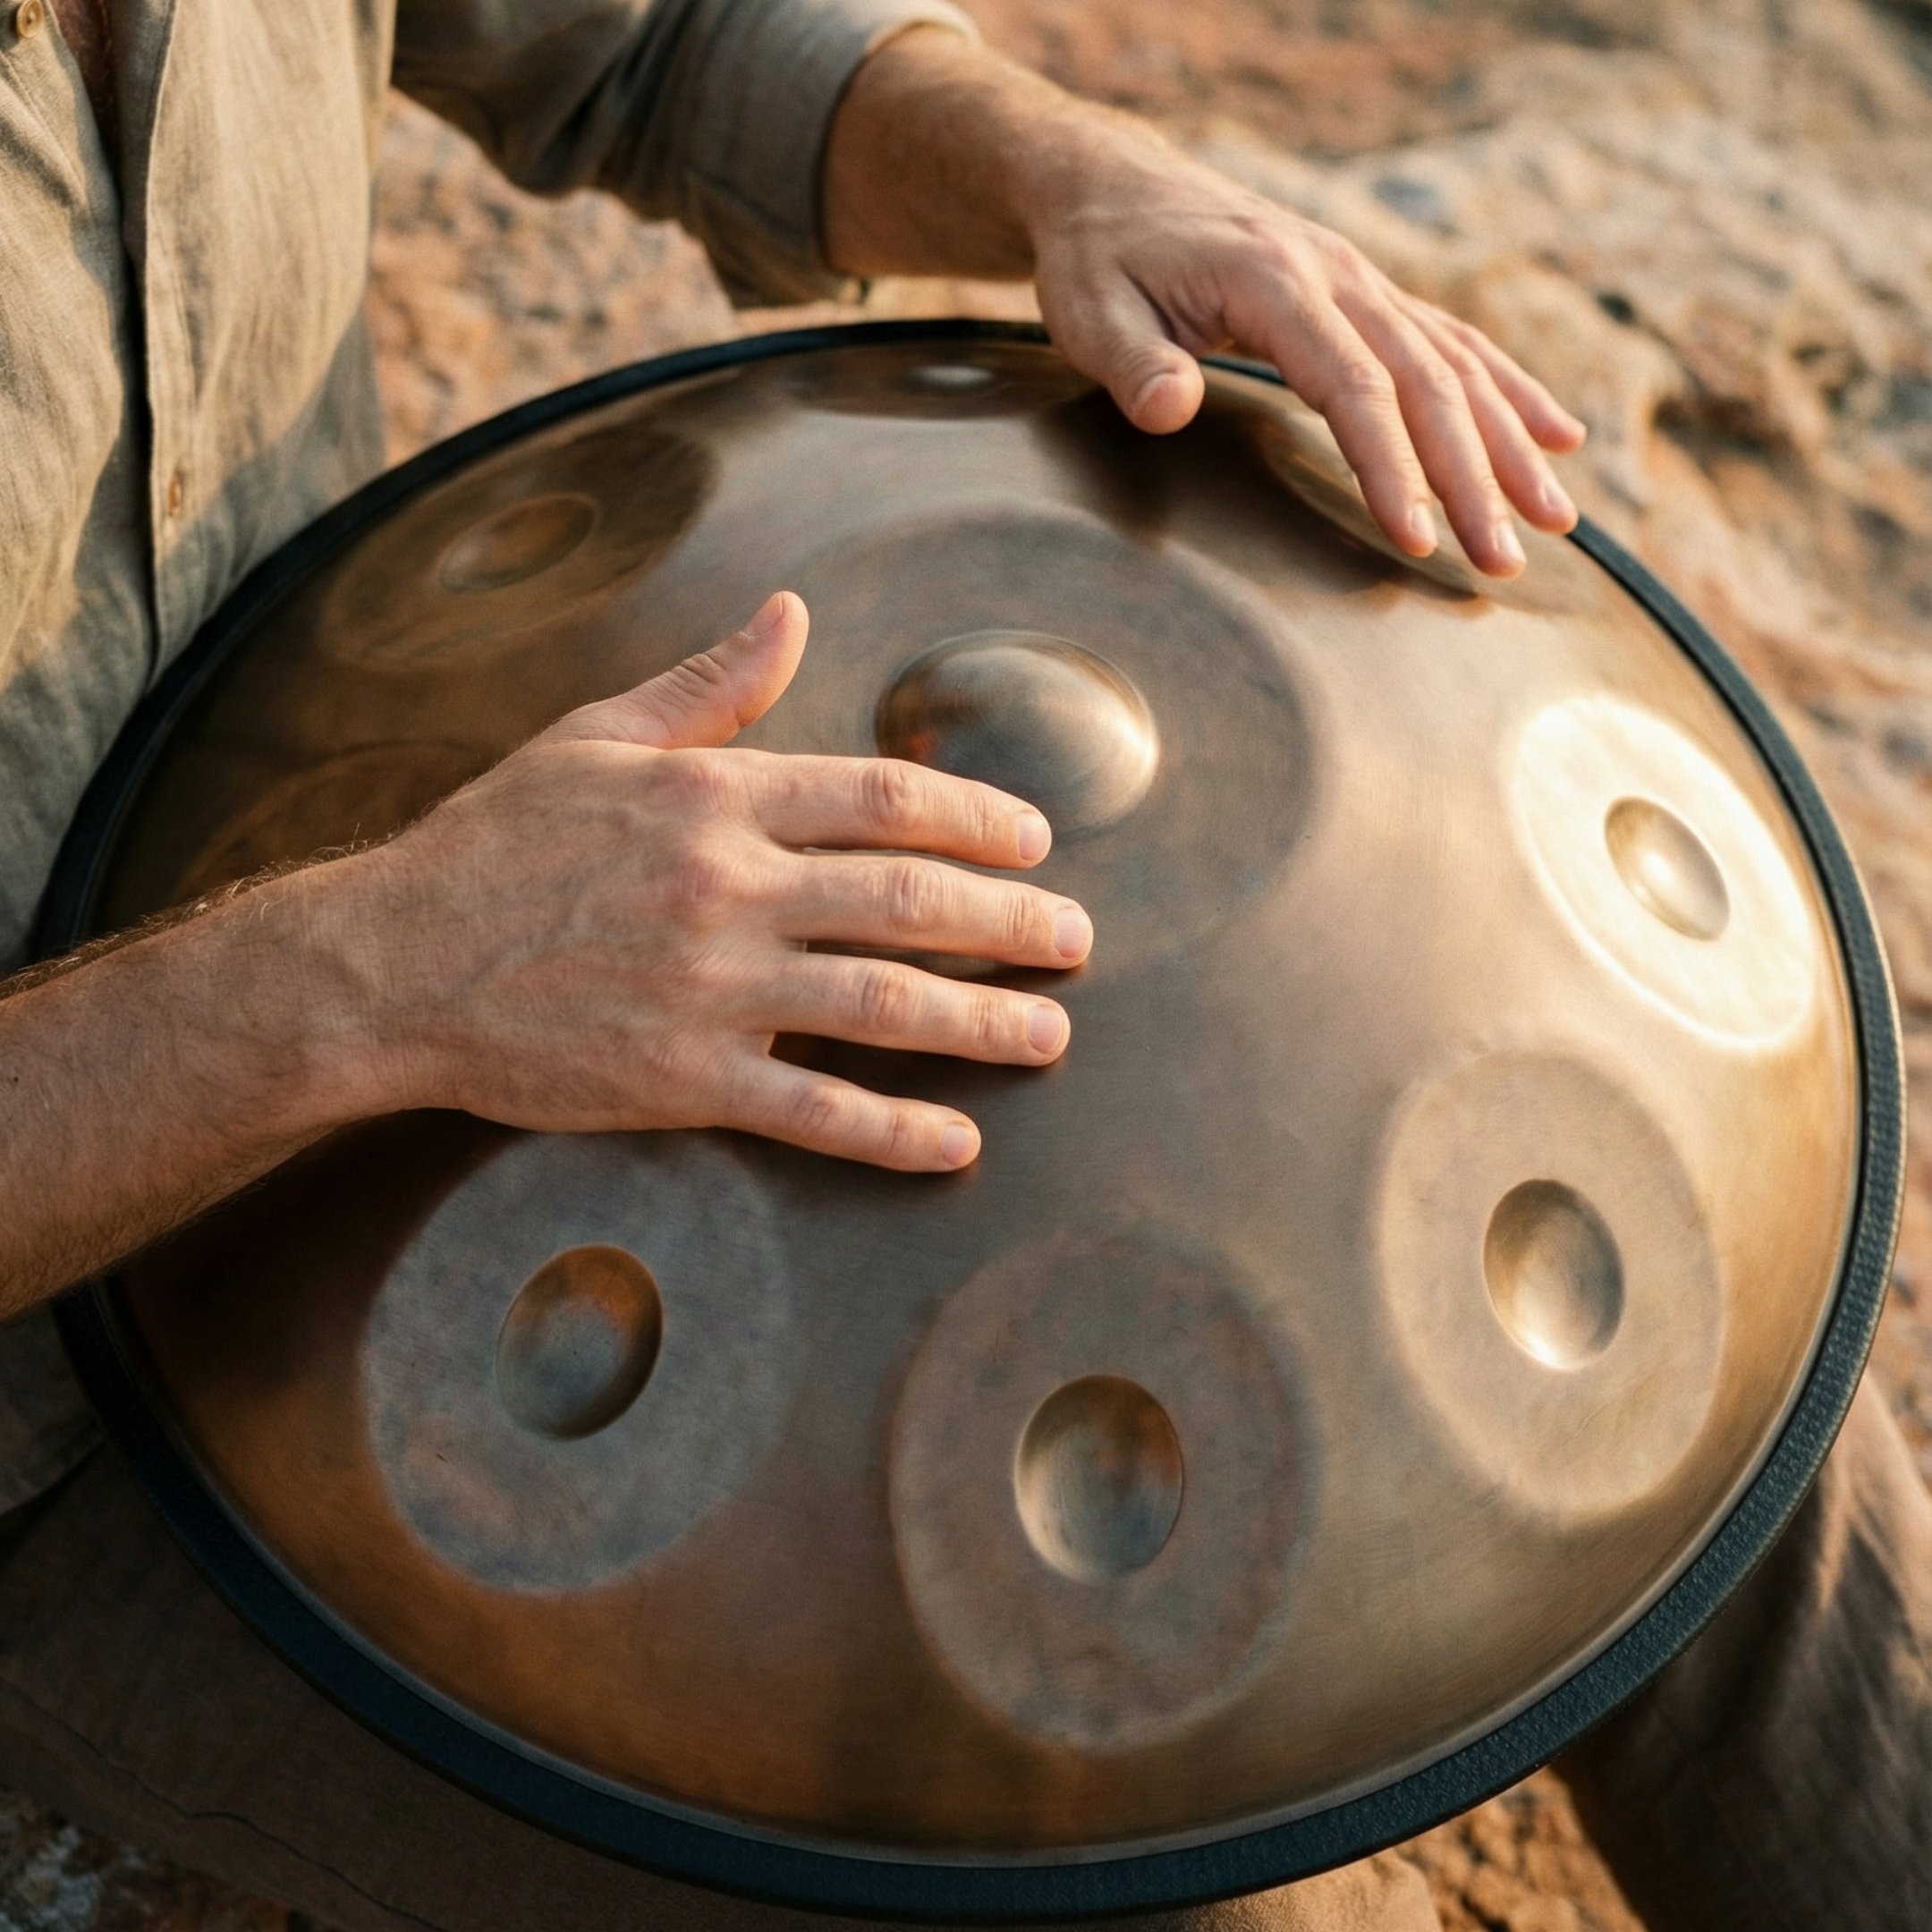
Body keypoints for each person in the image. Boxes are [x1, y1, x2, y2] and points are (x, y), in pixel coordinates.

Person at [0, 4, 1924, 1929]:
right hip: (92, 1392)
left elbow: (653, 33)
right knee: (1151, 1832)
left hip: (453, 812)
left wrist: (1058, 168)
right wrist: (373, 970)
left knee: (1715, 1369)